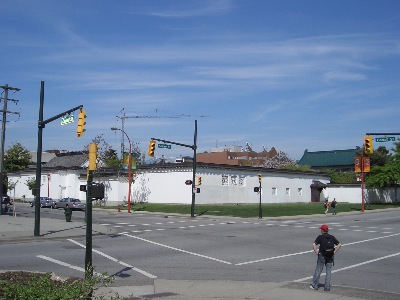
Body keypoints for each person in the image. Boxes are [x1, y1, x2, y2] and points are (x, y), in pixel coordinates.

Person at [310, 224, 341, 292]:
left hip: (322, 255)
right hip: (330, 256)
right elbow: (339, 244)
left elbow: (314, 244)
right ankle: (327, 287)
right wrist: (334, 252)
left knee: (318, 270)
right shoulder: (331, 237)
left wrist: (316, 252)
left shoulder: (320, 237)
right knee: (328, 272)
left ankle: (315, 285)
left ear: (322, 230)